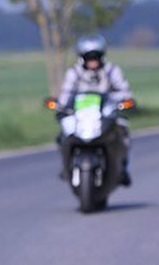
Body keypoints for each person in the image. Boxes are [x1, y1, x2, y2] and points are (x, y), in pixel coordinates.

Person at [56, 34, 134, 186]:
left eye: (95, 57)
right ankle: (66, 167)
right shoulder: (74, 72)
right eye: (89, 58)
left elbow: (125, 91)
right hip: (81, 116)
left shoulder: (111, 71)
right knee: (63, 136)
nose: (92, 61)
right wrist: (62, 107)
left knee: (123, 132)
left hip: (106, 113)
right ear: (82, 58)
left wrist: (115, 100)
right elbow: (66, 92)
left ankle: (123, 167)